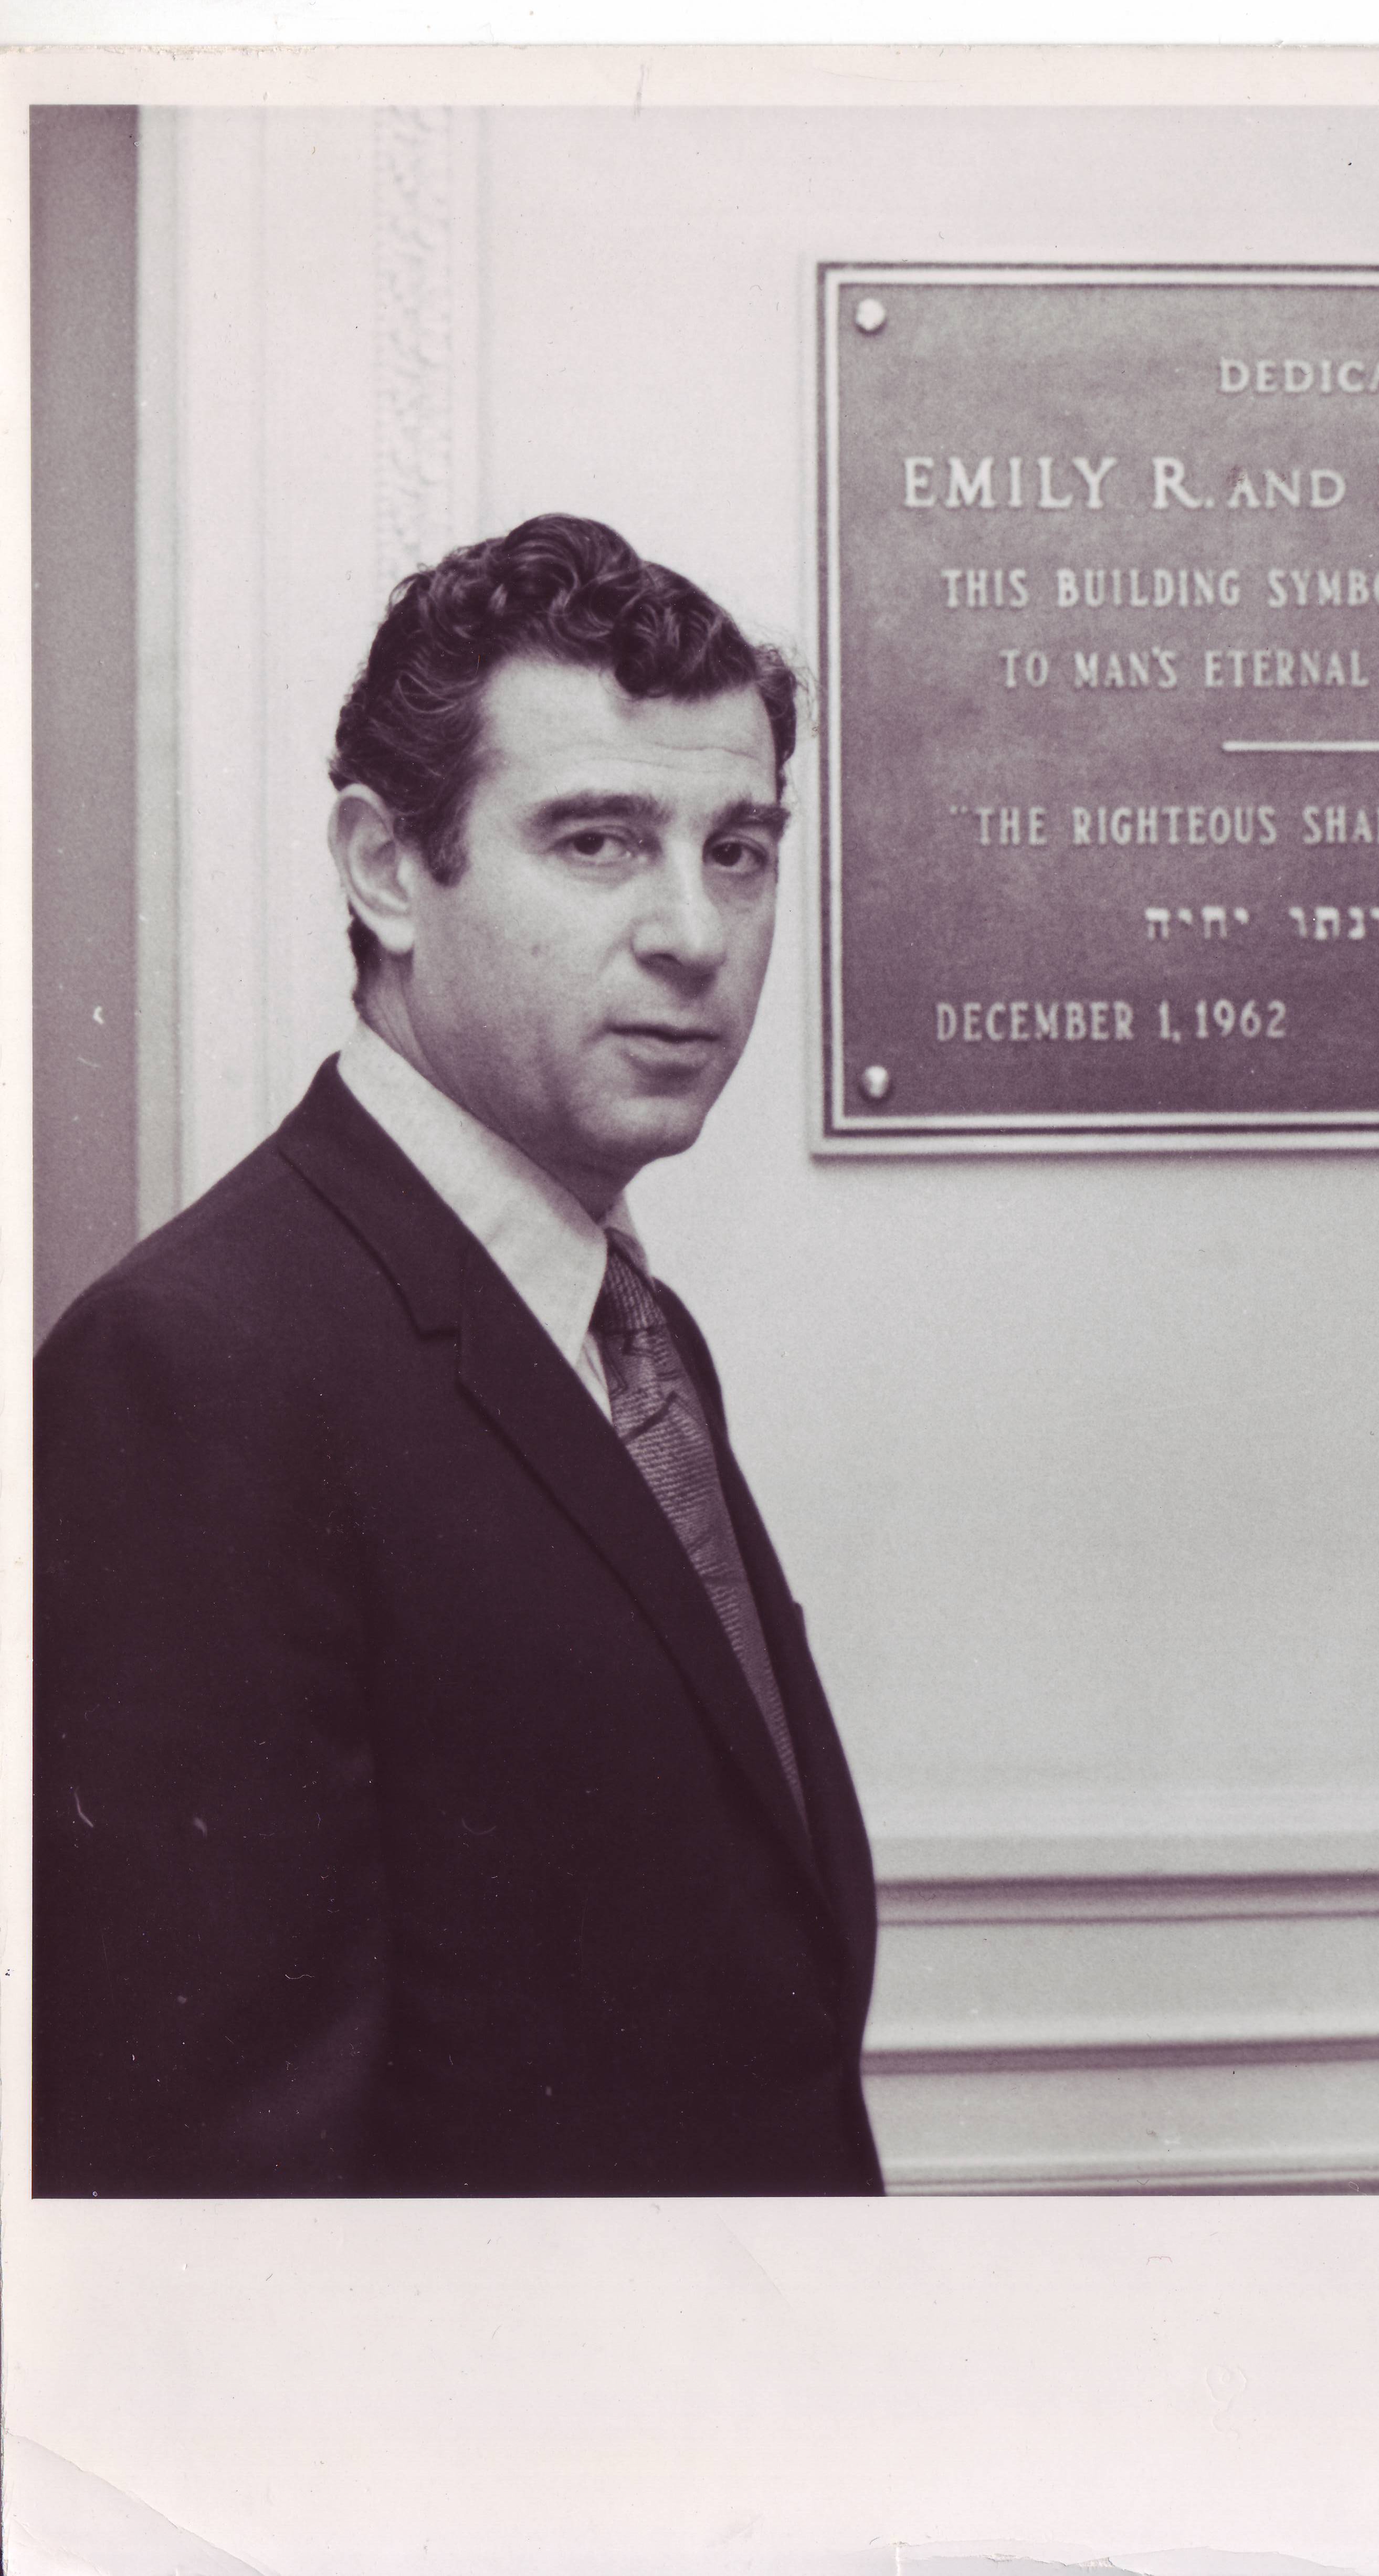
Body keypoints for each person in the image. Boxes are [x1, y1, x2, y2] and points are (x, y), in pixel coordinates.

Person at [33, 514, 885, 2196]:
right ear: (384, 868)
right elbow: (222, 2181)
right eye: (595, 842)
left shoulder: (623, 1323)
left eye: (740, 848)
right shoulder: (197, 1367)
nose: (697, 937)